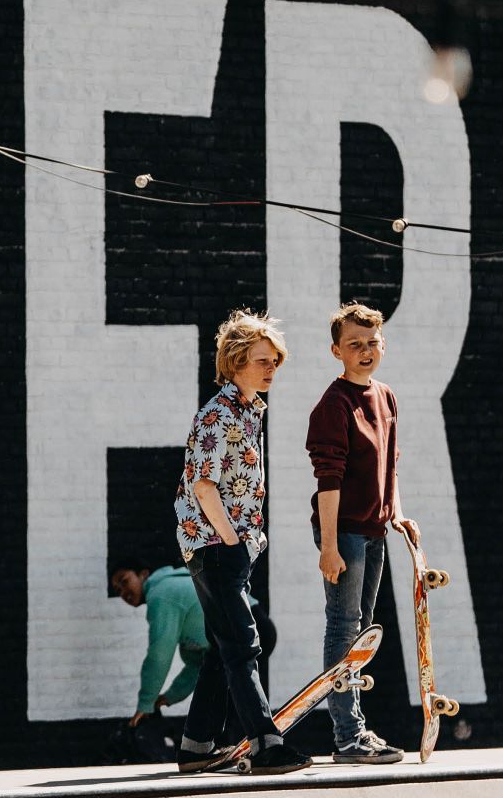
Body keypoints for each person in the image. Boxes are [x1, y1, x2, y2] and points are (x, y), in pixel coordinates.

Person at [170, 309, 310, 775]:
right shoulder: (217, 414)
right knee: (243, 642)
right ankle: (267, 744)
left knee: (227, 643)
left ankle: (195, 746)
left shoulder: (249, 412)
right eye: (262, 361)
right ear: (234, 362)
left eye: (275, 361)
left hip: (230, 550)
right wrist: (231, 541)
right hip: (215, 547)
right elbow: (204, 485)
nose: (272, 369)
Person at [305, 302, 418, 764]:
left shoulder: (385, 396)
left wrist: (397, 513)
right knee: (343, 627)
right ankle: (348, 736)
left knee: (361, 634)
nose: (365, 351)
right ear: (337, 351)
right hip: (345, 533)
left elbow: (390, 461)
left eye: (372, 342)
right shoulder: (333, 405)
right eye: (354, 344)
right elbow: (327, 481)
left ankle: (355, 729)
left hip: (374, 531)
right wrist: (329, 547)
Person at [109, 558, 276, 731]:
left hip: (246, 625)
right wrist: (169, 697)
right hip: (251, 626)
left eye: (124, 581)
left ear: (143, 574)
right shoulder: (169, 591)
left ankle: (251, 747)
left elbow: (159, 654)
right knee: (225, 695)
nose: (123, 592)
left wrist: (145, 703)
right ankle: (241, 746)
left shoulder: (160, 595)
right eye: (118, 590)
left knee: (232, 703)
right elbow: (197, 665)